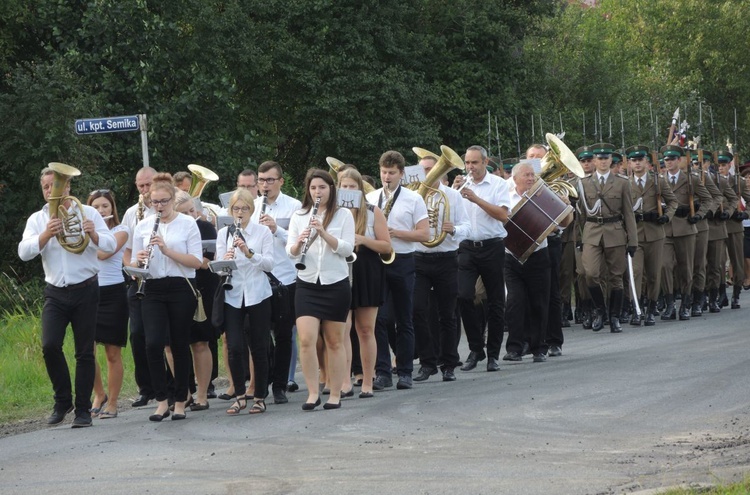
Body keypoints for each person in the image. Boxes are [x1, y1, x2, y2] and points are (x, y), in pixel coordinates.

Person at [18, 166, 116, 427]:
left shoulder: (89, 212)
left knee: (85, 352)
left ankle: (83, 410)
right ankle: (63, 400)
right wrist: (45, 234)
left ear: (69, 187)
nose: (51, 191)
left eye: (56, 185)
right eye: (46, 187)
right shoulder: (37, 219)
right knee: (50, 346)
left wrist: (93, 233)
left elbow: (110, 244)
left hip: (86, 288)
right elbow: (24, 252)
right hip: (55, 291)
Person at [130, 173, 203, 421]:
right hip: (152, 287)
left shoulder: (187, 223)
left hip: (180, 286)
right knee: (152, 344)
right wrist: (138, 261)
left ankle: (181, 400)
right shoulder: (142, 226)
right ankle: (162, 400)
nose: (158, 206)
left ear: (172, 199)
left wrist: (166, 250)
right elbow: (131, 263)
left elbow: (195, 261)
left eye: (163, 201)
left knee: (180, 344)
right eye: (154, 202)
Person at [287, 169, 355, 410]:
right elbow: (290, 251)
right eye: (314, 188)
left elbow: (348, 249)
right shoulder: (299, 215)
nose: (318, 192)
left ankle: (335, 393)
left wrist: (324, 233)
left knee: (334, 341)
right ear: (308, 190)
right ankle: (313, 393)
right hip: (306, 282)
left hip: (335, 283)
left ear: (331, 189)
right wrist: (299, 242)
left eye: (322, 188)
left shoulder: (343, 215)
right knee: (306, 339)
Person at [365, 151, 429, 390]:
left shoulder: (413, 198)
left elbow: (424, 234)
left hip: (402, 260)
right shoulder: (371, 197)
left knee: (404, 319)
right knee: (379, 319)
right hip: (376, 261)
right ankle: (382, 372)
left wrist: (395, 232)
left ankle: (405, 372)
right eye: (383, 172)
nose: (387, 177)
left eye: (392, 173)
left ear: (401, 174)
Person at [504, 162, 573, 362]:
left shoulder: (544, 197)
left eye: (532, 175)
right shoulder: (505, 198)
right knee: (515, 302)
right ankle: (514, 348)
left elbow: (562, 226)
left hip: (538, 256)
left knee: (539, 304)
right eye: (526, 175)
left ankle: (539, 348)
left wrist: (566, 207)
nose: (531, 178)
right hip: (512, 257)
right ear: (515, 178)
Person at [412, 154, 469, 382]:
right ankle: (427, 363)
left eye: (432, 169)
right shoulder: (413, 197)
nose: (428, 173)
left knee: (448, 314)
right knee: (418, 310)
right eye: (424, 170)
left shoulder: (453, 196)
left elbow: (467, 226)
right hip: (419, 258)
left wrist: (453, 229)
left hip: (446, 258)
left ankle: (449, 363)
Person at [217, 188, 274, 415]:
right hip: (233, 294)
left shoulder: (262, 232)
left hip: (258, 293)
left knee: (259, 347)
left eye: (245, 208)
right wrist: (226, 261)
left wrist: (249, 253)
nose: (240, 213)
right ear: (230, 210)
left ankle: (259, 396)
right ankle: (239, 395)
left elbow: (269, 264)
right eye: (236, 209)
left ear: (252, 209)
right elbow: (217, 267)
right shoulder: (224, 234)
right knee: (235, 347)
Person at [452, 145, 510, 371]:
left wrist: (475, 199)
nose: (470, 167)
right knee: (464, 295)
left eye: (474, 163)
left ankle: (493, 354)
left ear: (485, 162)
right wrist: (455, 194)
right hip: (466, 247)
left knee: (496, 301)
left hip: (493, 246)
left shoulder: (499, 184)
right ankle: (476, 348)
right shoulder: (461, 186)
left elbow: (503, 215)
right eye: (467, 163)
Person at [338, 167, 391, 397]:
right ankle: (345, 380)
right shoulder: (333, 212)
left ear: (359, 189)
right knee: (342, 329)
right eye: (344, 186)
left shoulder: (372, 211)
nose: (348, 190)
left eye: (352, 186)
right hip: (340, 268)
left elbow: (387, 246)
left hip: (367, 268)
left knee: (366, 329)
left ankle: (368, 381)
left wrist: (363, 239)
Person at [252, 161, 302, 404]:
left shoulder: (295, 207)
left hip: (285, 278)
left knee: (284, 334)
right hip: (259, 279)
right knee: (261, 335)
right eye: (261, 180)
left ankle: (280, 385)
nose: (265, 185)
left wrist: (276, 230)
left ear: (281, 181)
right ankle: (264, 381)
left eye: (270, 180)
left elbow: (298, 243)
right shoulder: (250, 207)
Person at [577, 143, 638, 333]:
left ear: (611, 160)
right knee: (591, 274)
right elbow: (580, 215)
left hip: (615, 231)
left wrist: (633, 240)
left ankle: (614, 316)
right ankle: (600, 310)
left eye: (606, 158)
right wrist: (579, 238)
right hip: (592, 231)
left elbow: (628, 213)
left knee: (616, 277)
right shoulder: (583, 183)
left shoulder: (622, 182)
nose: (603, 161)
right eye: (599, 158)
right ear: (594, 161)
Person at [87, 189, 130, 419]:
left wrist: (91, 236)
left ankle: (113, 402)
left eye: (105, 206)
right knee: (87, 351)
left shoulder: (121, 230)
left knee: (112, 353)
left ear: (112, 207)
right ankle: (99, 393)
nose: (101, 210)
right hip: (90, 292)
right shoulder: (84, 231)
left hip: (113, 293)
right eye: (95, 207)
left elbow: (104, 253)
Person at [173, 191, 218, 411]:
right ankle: (185, 392)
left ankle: (202, 394)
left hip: (201, 287)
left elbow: (202, 262)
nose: (192, 215)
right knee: (172, 344)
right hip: (173, 288)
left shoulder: (206, 227)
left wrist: (173, 253)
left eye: (192, 210)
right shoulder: (166, 228)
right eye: (185, 212)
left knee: (200, 341)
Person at [625, 145, 677, 325]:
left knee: (654, 273)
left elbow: (673, 202)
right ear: (629, 163)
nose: (637, 163)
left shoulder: (658, 181)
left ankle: (651, 308)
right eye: (634, 160)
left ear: (647, 162)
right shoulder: (626, 183)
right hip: (635, 234)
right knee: (636, 272)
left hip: (655, 233)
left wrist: (666, 217)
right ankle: (636, 309)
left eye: (640, 160)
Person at [659, 145, 713, 320]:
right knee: (665, 265)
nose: (669, 162)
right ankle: (669, 304)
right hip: (666, 229)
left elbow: (708, 200)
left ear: (679, 160)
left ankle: (686, 304)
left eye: (672, 159)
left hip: (686, 228)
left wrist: (698, 215)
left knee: (687, 268)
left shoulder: (691, 179)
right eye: (666, 160)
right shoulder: (659, 180)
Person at [121, 166, 157, 407]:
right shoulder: (132, 213)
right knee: (137, 334)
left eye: (149, 185)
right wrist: (132, 269)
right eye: (141, 186)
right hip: (139, 279)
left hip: (162, 279)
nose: (145, 190)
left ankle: (174, 384)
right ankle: (146, 388)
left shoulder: (167, 207)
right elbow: (126, 250)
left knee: (162, 337)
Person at [718, 150, 750, 308]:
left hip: (734, 226)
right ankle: (721, 293)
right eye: (718, 165)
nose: (720, 168)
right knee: (718, 262)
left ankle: (736, 294)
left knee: (737, 260)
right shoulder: (711, 180)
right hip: (718, 225)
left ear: (729, 165)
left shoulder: (739, 181)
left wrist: (745, 213)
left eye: (723, 165)